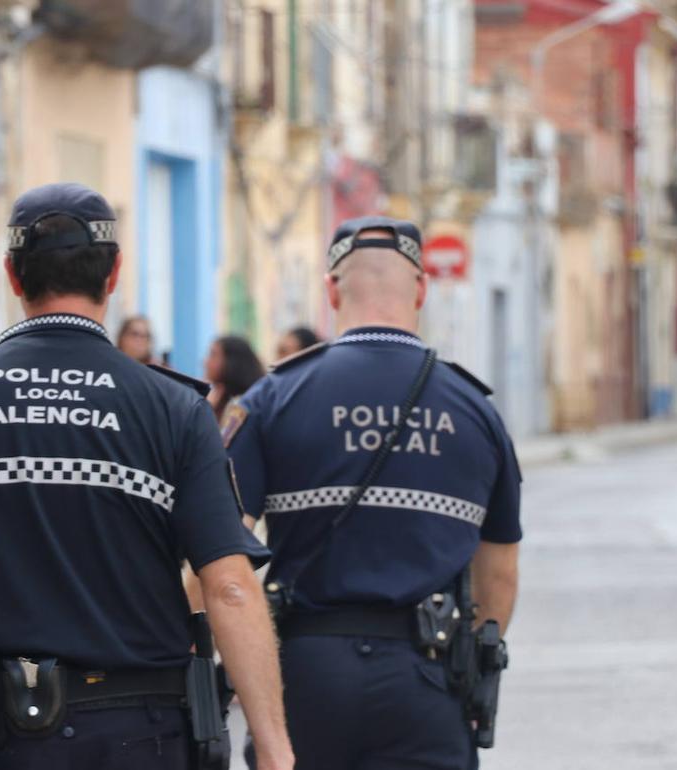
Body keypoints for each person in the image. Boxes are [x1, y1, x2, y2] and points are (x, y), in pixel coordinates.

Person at [0, 182, 294, 770]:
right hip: (143, 738)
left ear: (11, 274)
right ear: (114, 273)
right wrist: (276, 750)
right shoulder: (175, 409)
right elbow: (230, 587)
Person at [223, 216, 522, 770]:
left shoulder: (271, 399)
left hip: (303, 678)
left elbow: (224, 566)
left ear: (331, 290)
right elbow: (498, 578)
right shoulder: (476, 410)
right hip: (428, 678)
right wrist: (469, 665)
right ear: (422, 290)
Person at [203, 335, 265, 423]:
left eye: (213, 355)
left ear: (232, 361)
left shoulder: (244, 404)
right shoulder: (217, 397)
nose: (206, 362)